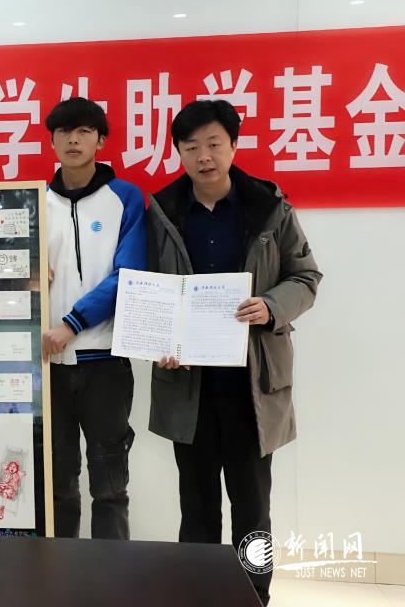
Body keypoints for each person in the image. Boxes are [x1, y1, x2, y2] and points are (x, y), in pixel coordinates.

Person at [147, 99, 321, 605]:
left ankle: (254, 596)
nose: (204, 156)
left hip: (253, 386)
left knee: (252, 509)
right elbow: (145, 289)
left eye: (214, 143)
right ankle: (197, 594)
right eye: (191, 147)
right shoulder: (161, 212)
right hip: (189, 386)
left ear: (234, 146)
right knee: (196, 508)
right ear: (179, 152)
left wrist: (270, 306)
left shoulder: (269, 207)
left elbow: (306, 277)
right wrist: (160, 341)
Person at [40, 97, 146, 539]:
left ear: (101, 141)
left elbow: (130, 276)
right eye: (64, 132)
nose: (73, 140)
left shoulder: (125, 198)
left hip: (105, 362)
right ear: (52, 141)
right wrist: (24, 277)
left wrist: (72, 323)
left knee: (110, 485)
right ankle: (58, 572)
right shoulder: (35, 201)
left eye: (84, 131)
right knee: (57, 484)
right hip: (48, 365)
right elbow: (4, 271)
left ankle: (111, 574)